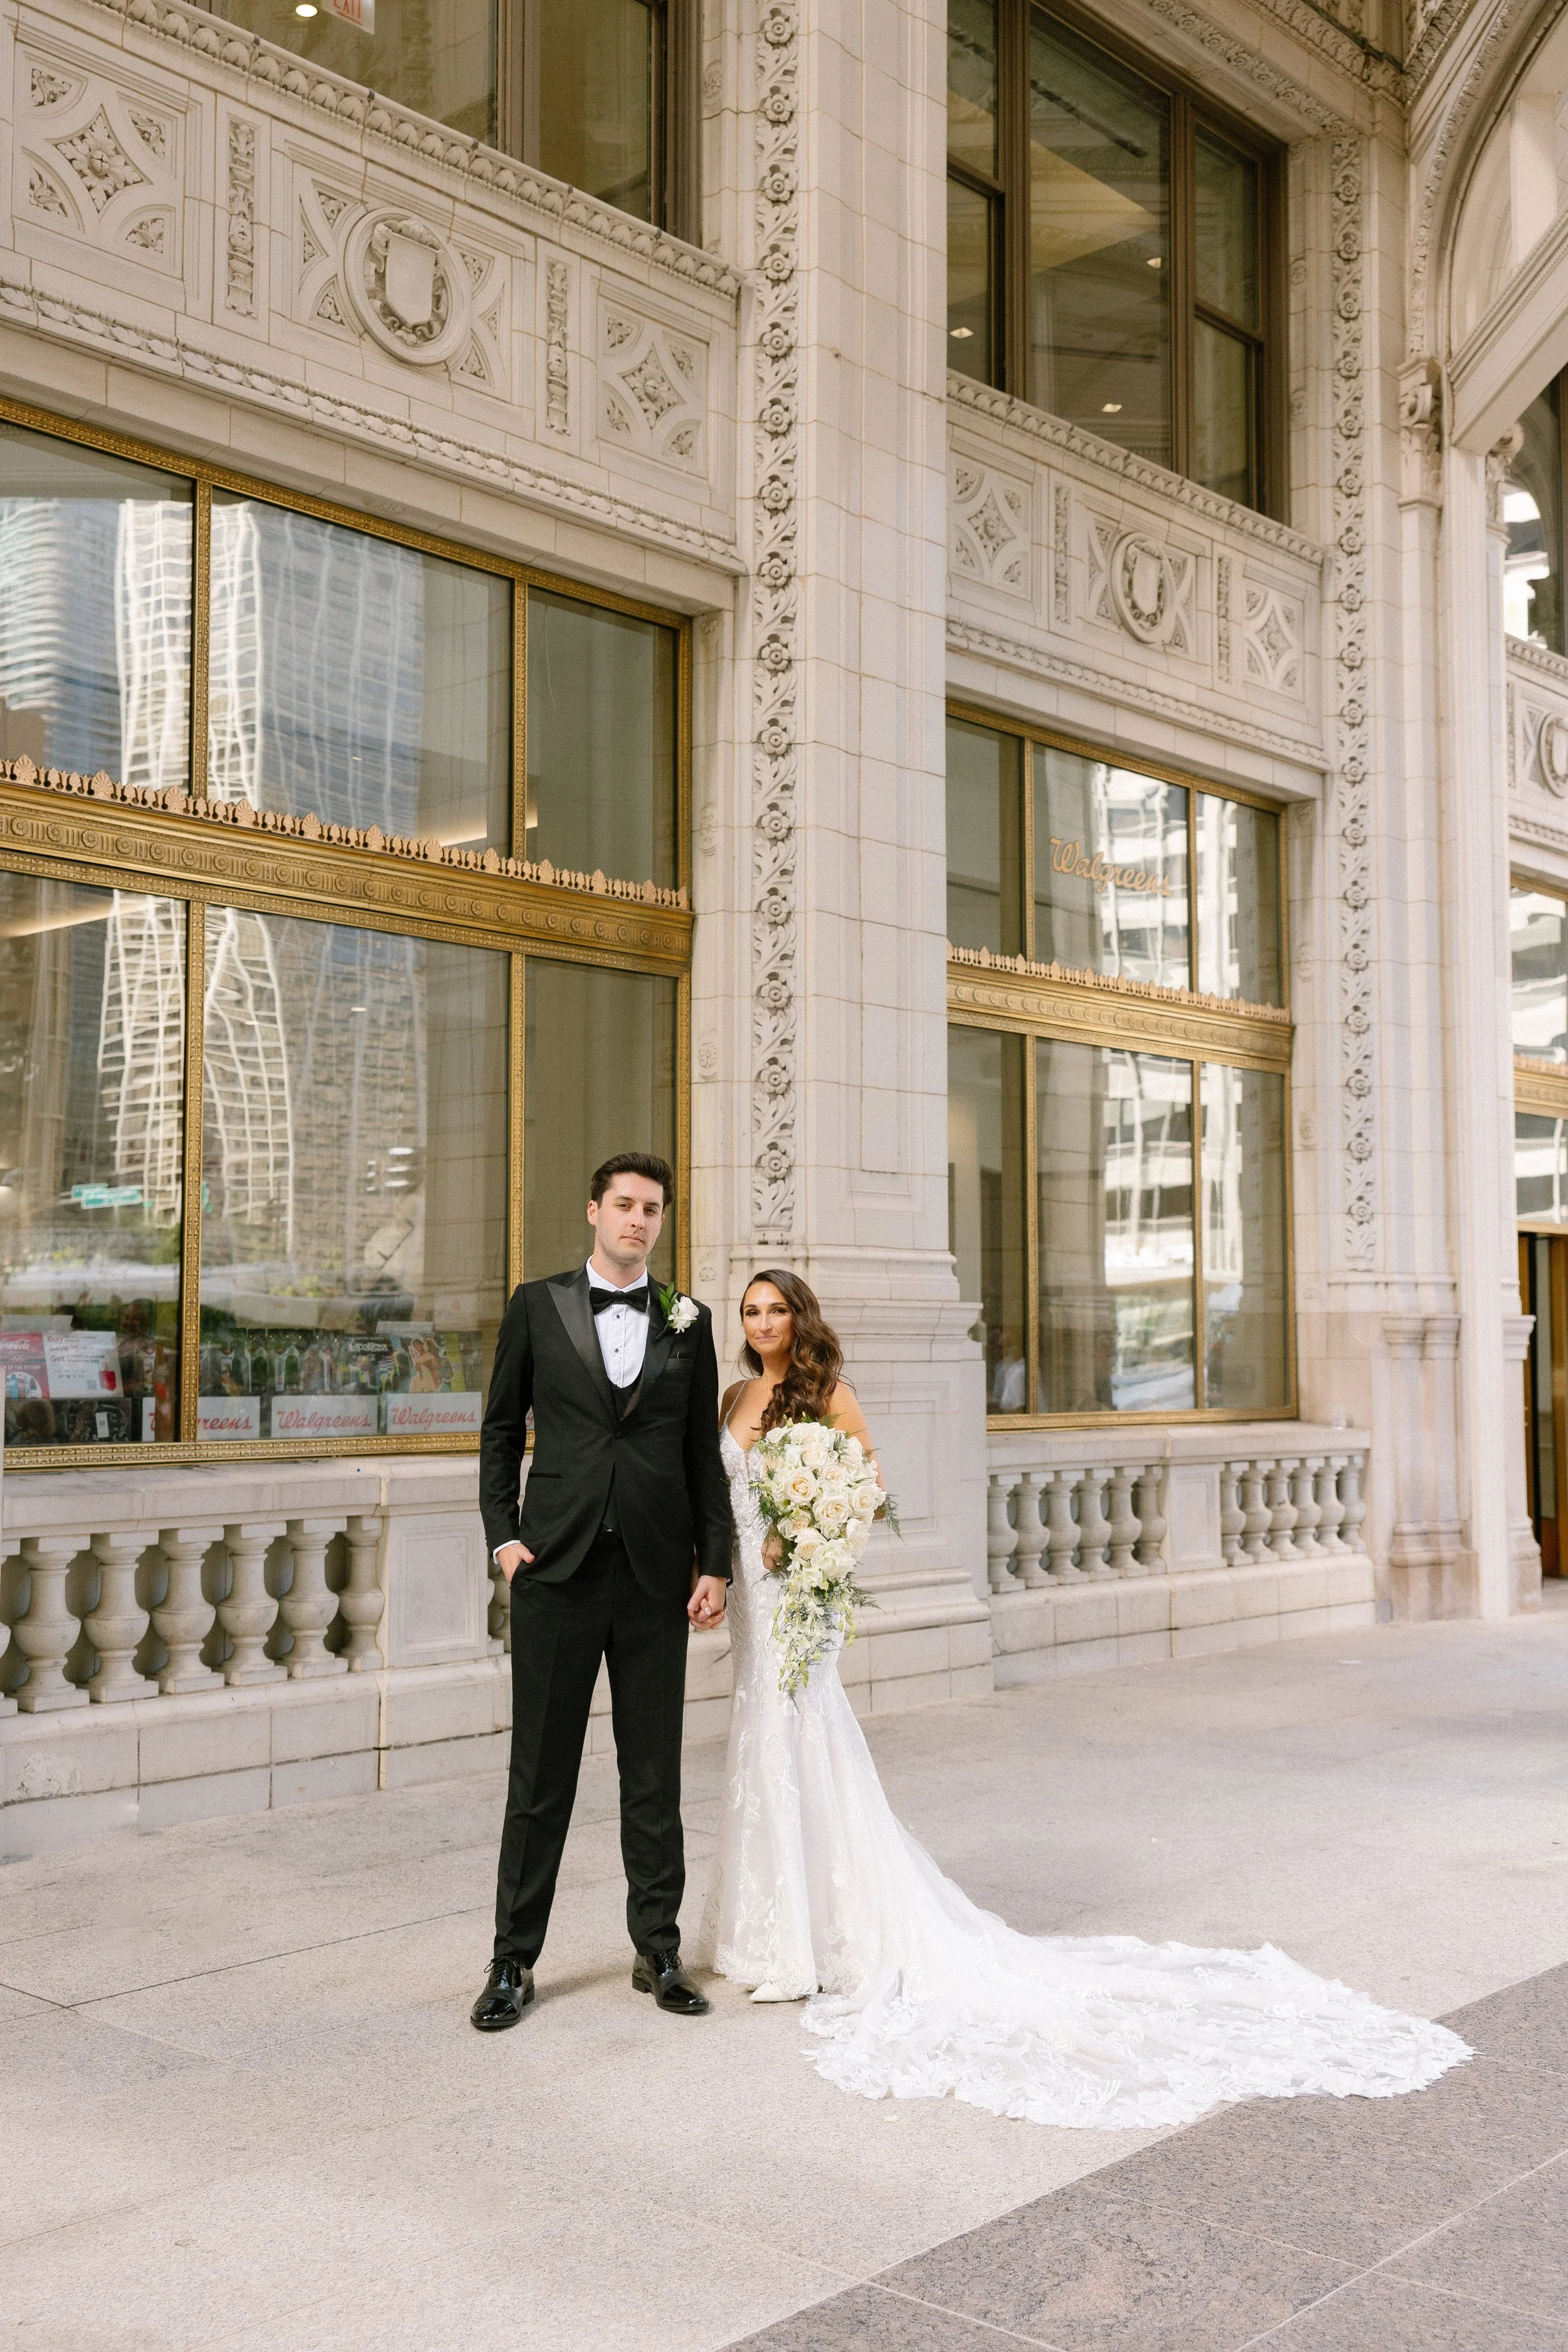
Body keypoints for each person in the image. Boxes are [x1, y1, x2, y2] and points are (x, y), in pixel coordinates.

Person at [694, 1269, 1470, 2128]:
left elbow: (862, 1489)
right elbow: (721, 1496)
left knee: (802, 1731)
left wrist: (800, 1536)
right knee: (759, 1733)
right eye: (751, 1311)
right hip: (753, 1602)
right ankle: (769, 1926)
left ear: (801, 1317)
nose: (763, 1322)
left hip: (803, 1591)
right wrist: (727, 1568)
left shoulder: (829, 1394)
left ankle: (819, 1935)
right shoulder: (733, 1395)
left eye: (776, 1309)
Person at [469, 1154, 733, 2032]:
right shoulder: (536, 1306)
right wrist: (504, 1537)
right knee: (538, 1775)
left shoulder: (687, 1320)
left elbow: (703, 1454)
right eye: (624, 1204)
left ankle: (656, 1947)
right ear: (593, 1210)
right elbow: (502, 1429)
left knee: (652, 1772)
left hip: (656, 1576)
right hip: (556, 1570)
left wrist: (715, 1563)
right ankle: (512, 1959)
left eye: (652, 1208)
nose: (638, 1219)